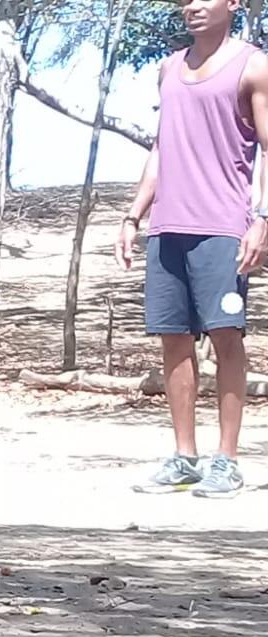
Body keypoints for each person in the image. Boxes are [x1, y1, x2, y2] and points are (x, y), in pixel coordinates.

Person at [116, 0, 268, 498]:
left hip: (223, 226)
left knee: (227, 337)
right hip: (167, 228)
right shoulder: (169, 68)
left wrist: (261, 220)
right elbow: (162, 147)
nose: (192, 6)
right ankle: (184, 457)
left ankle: (226, 460)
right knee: (173, 341)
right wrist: (133, 214)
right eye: (185, 0)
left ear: (235, 4)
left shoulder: (254, 65)